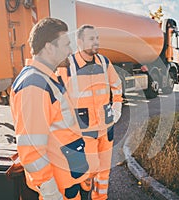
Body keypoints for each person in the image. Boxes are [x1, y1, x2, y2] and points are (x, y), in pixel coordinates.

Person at [10, 17, 90, 200]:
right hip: (59, 190)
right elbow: (31, 151)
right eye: (66, 45)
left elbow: (62, 133)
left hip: (69, 181)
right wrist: (51, 193)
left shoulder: (46, 79)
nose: (71, 51)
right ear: (49, 47)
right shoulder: (34, 86)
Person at [58, 24, 123, 200]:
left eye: (97, 38)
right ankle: (85, 192)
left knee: (103, 172)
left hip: (106, 129)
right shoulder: (68, 65)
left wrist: (116, 107)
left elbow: (116, 85)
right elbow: (58, 97)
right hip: (83, 131)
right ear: (79, 42)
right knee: (87, 172)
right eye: (91, 39)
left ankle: (100, 198)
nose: (96, 42)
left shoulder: (104, 62)